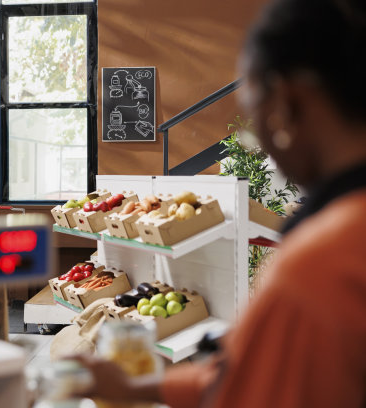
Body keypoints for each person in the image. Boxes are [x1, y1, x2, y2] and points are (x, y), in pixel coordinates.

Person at [70, 0, 366, 406]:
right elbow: (249, 370)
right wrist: (141, 387)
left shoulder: (319, 263)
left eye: (253, 108)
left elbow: (247, 392)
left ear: (285, 103)